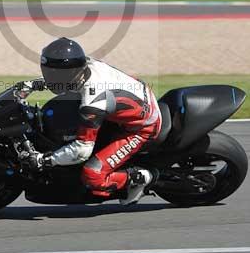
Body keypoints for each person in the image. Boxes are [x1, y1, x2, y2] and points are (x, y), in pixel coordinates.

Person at [14, 37, 161, 205]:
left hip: (142, 127)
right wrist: (32, 85)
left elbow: (82, 150)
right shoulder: (85, 66)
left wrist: (44, 160)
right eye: (48, 71)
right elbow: (63, 77)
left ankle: (142, 177)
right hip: (130, 102)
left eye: (53, 74)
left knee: (92, 175)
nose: (50, 77)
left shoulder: (92, 103)